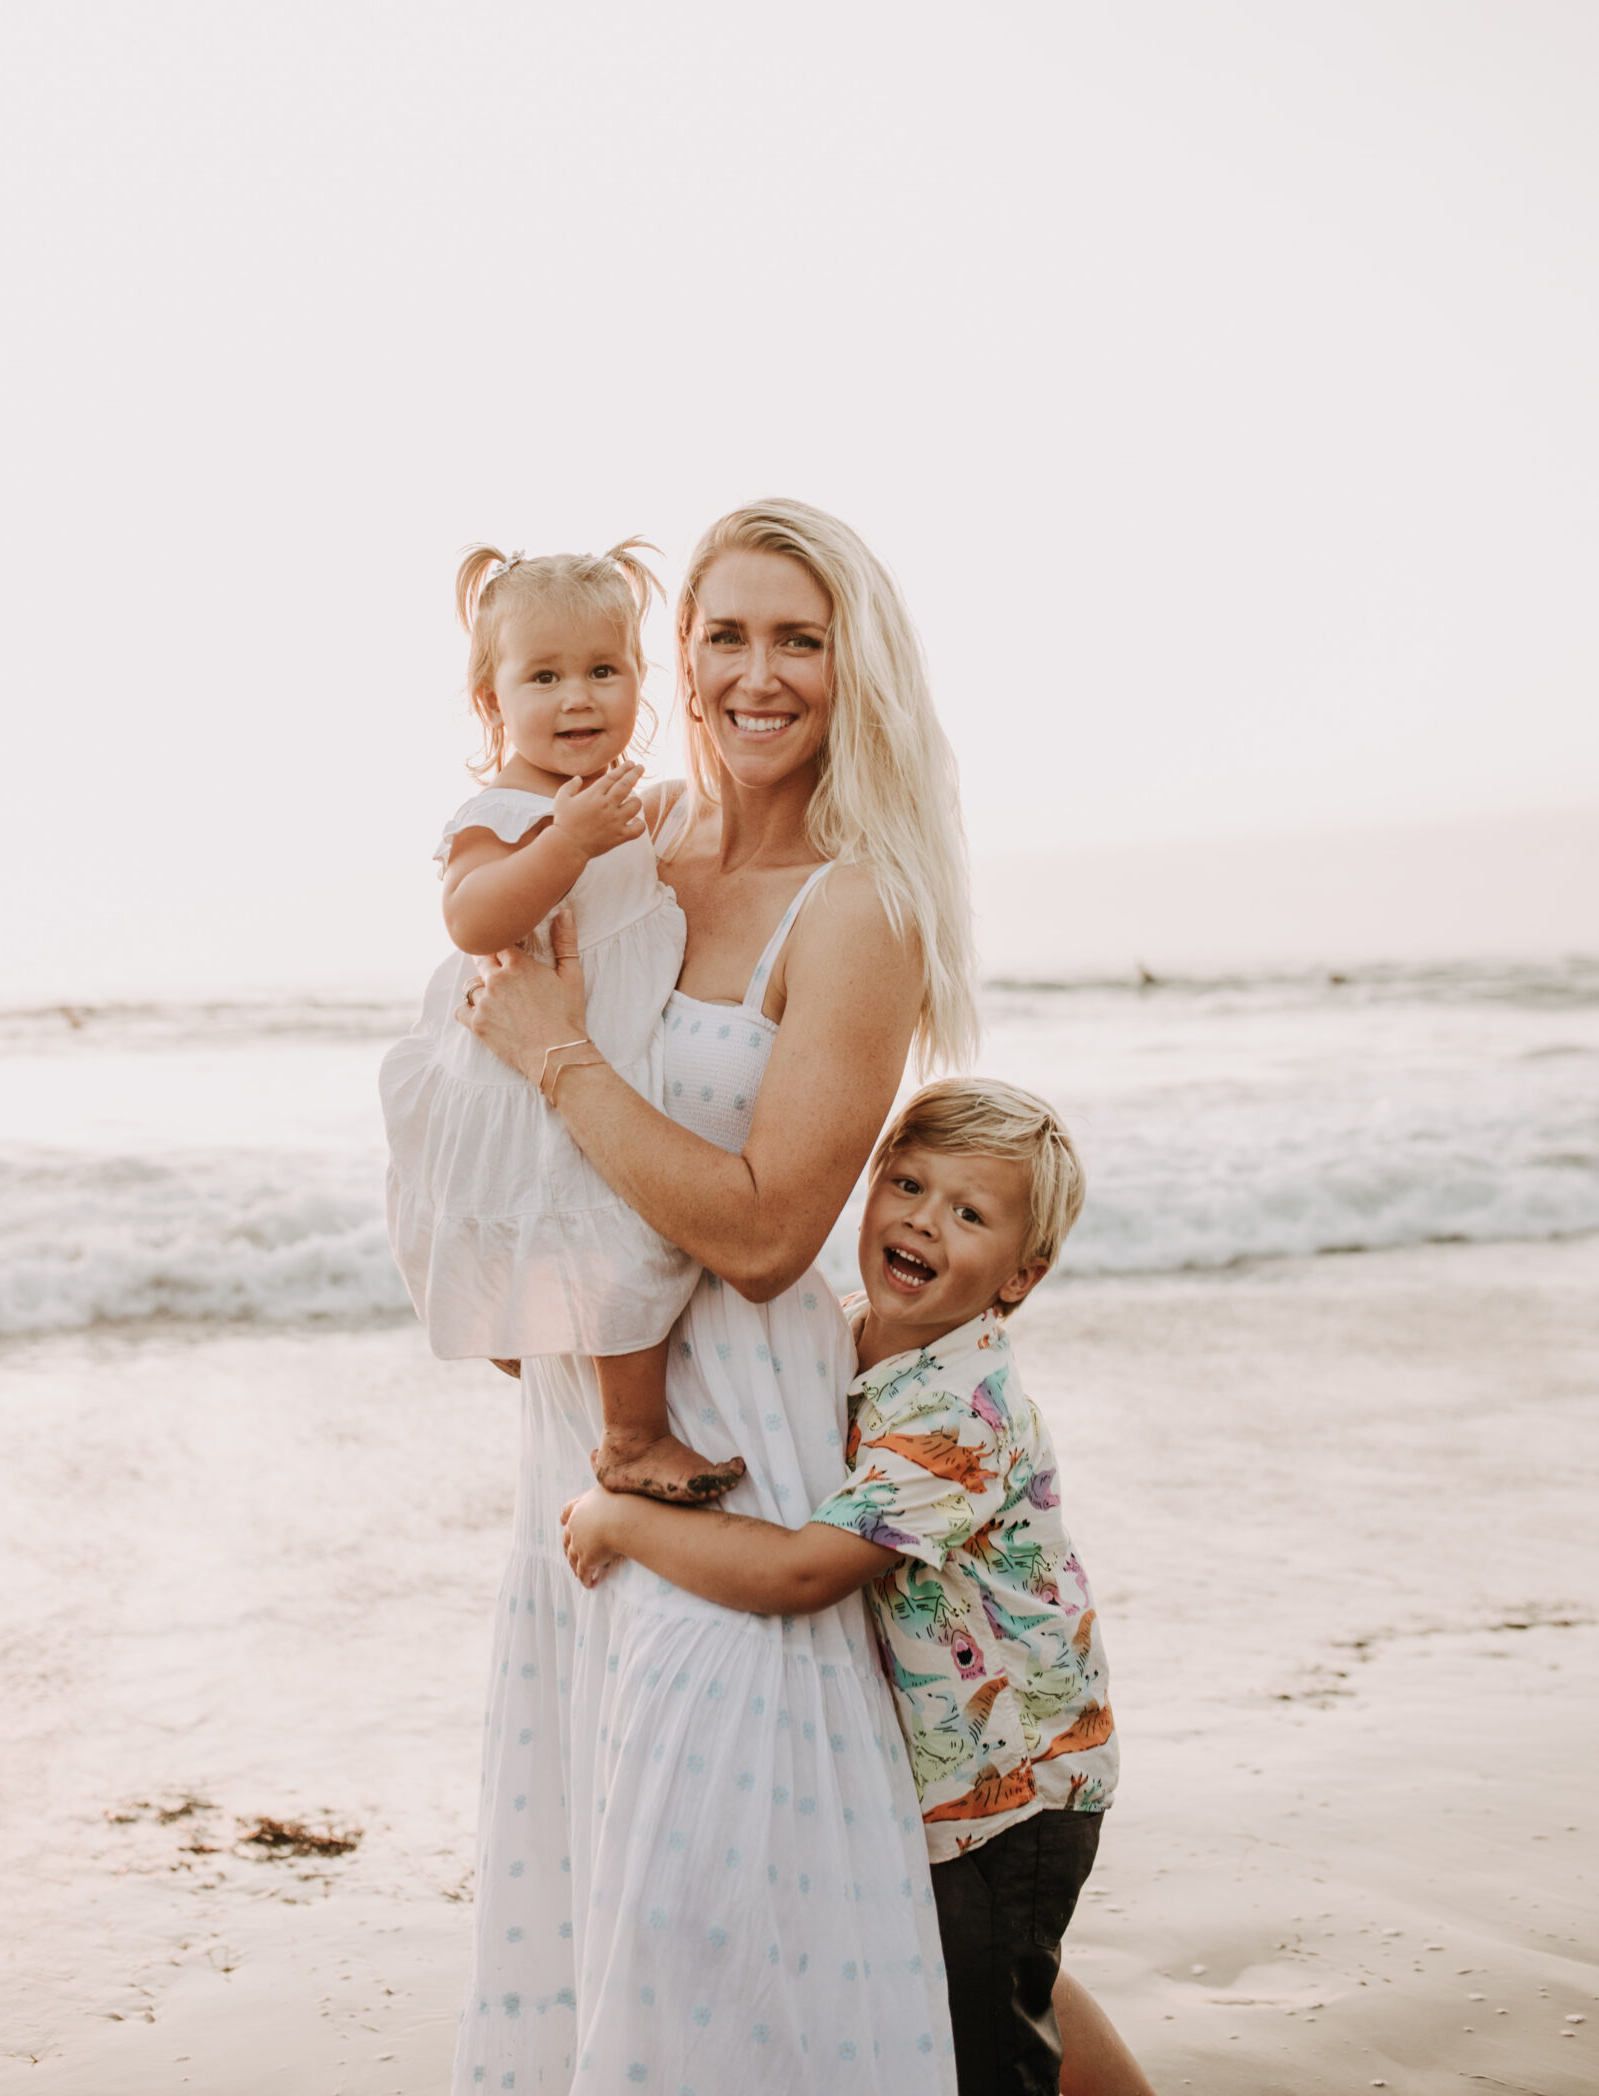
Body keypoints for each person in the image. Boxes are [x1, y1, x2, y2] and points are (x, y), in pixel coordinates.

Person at [455, 500, 1154, 2096]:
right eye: (723, 633)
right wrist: (520, 1294)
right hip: (583, 1445)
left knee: (728, 1921)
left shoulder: (857, 905)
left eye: (798, 638)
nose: (753, 673)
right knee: (775, 1902)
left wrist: (554, 1051)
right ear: (670, 658)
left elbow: (768, 1234)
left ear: (855, 672)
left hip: (743, 1456)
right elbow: (535, 1154)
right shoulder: (621, 856)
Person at [561, 1077, 1122, 2096]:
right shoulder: (848, 1334)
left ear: (1021, 1278)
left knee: (989, 2039)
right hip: (946, 1779)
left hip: (1011, 1791)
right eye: (907, 1182)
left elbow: (802, 1572)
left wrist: (624, 1521)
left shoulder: (959, 1411)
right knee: (1000, 1984)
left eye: (969, 1211)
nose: (921, 1218)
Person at [379, 540, 743, 1501]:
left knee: (600, 1239)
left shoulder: (614, 800)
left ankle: (547, 1347)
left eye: (603, 670)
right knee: (619, 1238)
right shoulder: (502, 809)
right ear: (492, 701)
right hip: (526, 1071)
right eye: (544, 676)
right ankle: (630, 1436)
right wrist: (565, 846)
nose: (578, 697)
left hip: (600, 1055)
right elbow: (472, 916)